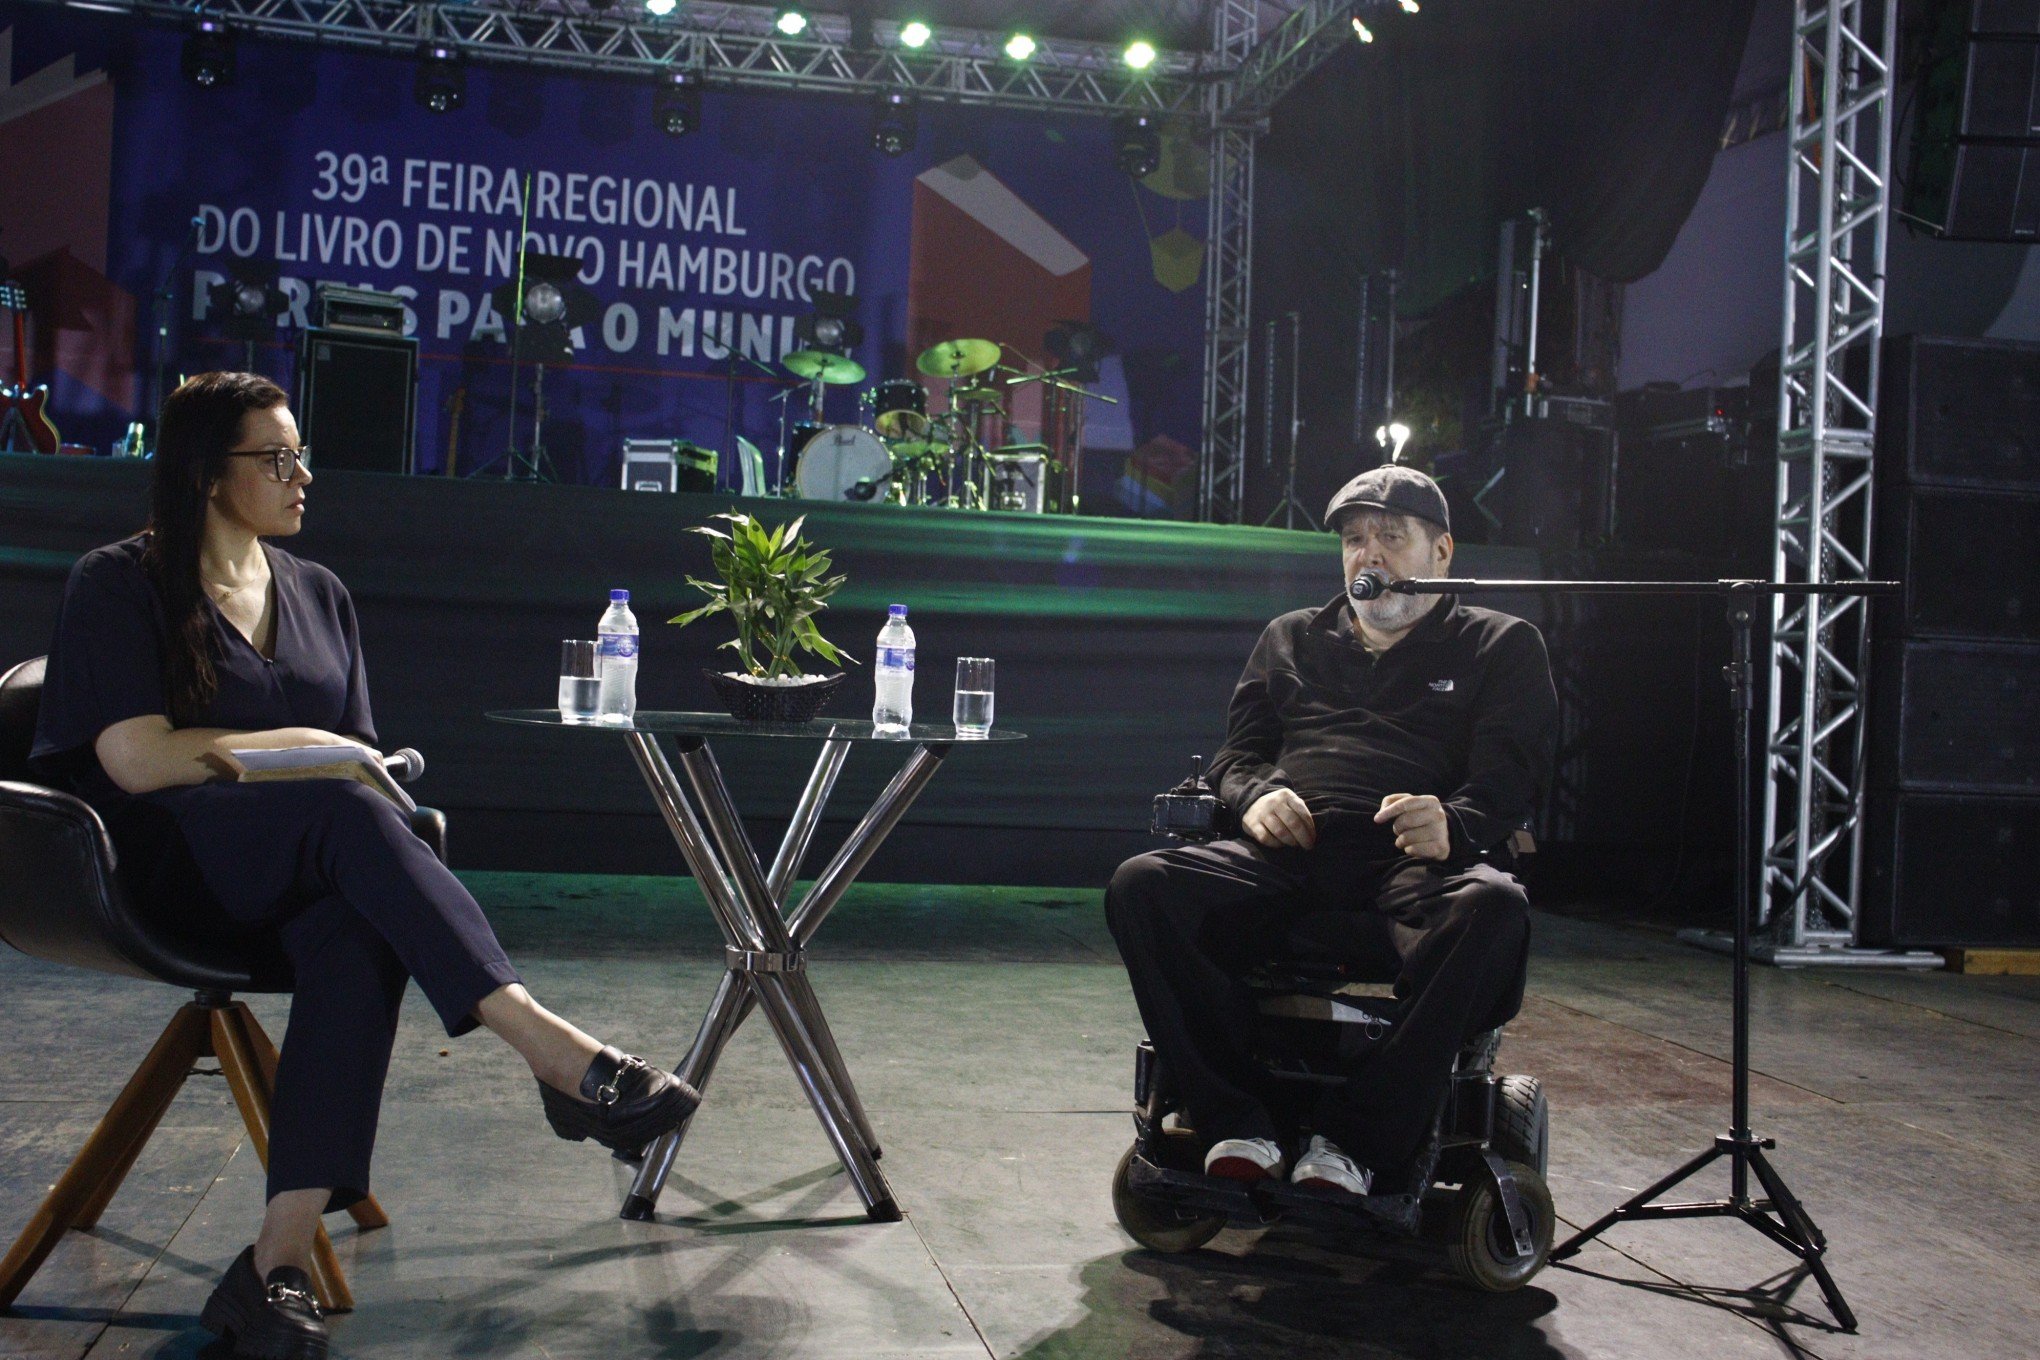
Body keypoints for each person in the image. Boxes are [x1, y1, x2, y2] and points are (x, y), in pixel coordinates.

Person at [29, 372, 699, 1360]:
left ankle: (275, 1265)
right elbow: (135, 758)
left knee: (362, 917)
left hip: (301, 867)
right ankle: (559, 1057)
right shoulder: (120, 581)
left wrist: (351, 777)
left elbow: (365, 767)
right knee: (346, 815)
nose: (302, 477)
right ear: (210, 476)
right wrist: (304, 744)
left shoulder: (319, 594)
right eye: (276, 459)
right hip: (162, 868)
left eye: (303, 457)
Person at [1105, 464, 1556, 1197]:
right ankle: (1235, 1119)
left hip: (1414, 869)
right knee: (1145, 884)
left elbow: (1512, 780)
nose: (1368, 555)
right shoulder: (1292, 638)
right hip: (1289, 858)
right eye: (1354, 540)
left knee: (1493, 908)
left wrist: (1456, 822)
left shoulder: (1500, 644)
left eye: (1390, 537)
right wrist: (1253, 797)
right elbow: (1238, 755)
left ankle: (1358, 1140)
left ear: (1442, 553)